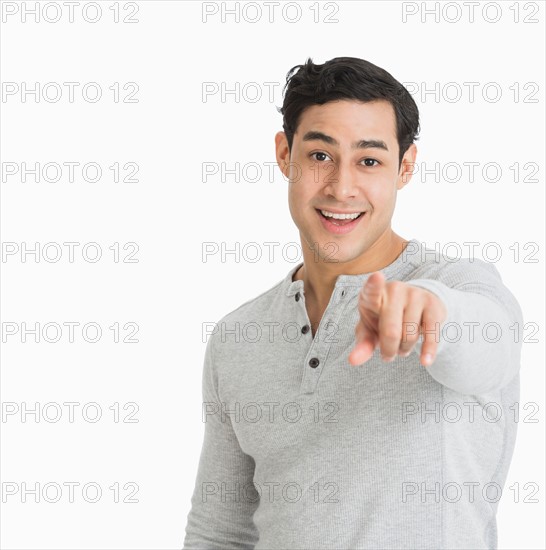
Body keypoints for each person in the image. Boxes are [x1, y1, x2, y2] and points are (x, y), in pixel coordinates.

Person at [183, 57, 524, 549]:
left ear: (404, 167)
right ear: (285, 155)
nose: (342, 188)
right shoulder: (238, 336)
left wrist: (429, 309)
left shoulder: (461, 285)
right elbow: (221, 530)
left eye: (369, 160)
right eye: (320, 156)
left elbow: (489, 350)